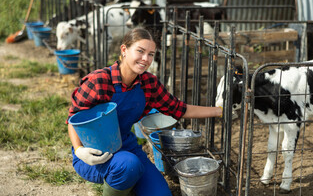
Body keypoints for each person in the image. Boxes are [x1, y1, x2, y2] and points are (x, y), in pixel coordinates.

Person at [67, 27, 222, 196]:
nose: (145, 59)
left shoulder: (148, 83)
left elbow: (178, 109)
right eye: (140, 51)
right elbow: (74, 116)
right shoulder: (99, 81)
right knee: (128, 166)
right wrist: (79, 150)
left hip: (126, 145)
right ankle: (121, 181)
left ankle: (125, 183)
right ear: (124, 50)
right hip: (94, 153)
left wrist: (219, 110)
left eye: (150, 54)